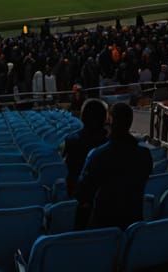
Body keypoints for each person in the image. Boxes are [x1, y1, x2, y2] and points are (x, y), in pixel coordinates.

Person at [74, 102, 152, 230]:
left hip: (103, 226)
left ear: (110, 121)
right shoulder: (145, 155)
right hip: (133, 223)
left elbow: (82, 192)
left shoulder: (98, 155)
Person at [61, 98, 108, 197]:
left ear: (82, 118)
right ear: (104, 119)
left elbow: (68, 170)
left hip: (80, 197)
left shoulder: (71, 140)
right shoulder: (112, 143)